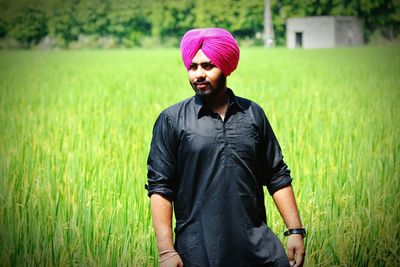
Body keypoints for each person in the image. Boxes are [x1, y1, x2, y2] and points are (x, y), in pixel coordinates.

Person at [146, 28, 305, 267]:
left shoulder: (253, 114)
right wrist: (166, 251)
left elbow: (276, 174)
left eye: (207, 66)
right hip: (198, 253)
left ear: (226, 66)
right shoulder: (172, 120)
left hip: (258, 249)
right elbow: (161, 188)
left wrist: (295, 230)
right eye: (193, 67)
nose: (198, 74)